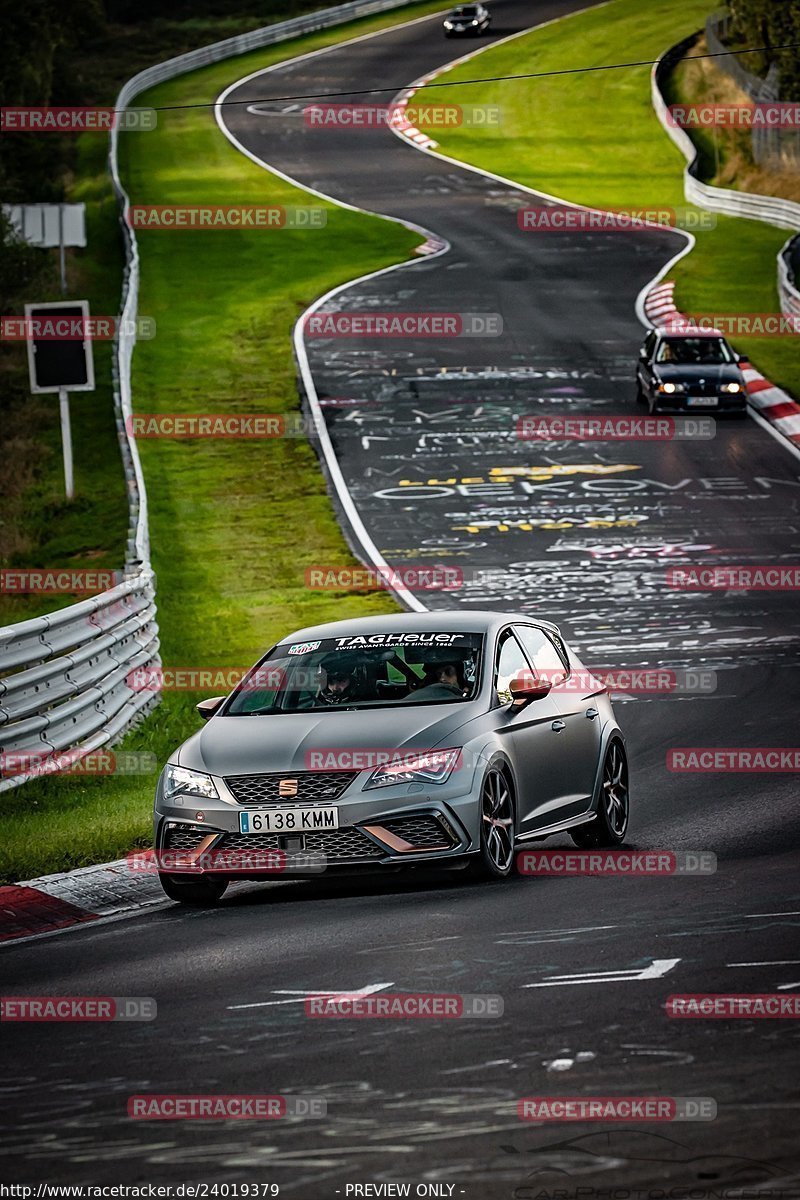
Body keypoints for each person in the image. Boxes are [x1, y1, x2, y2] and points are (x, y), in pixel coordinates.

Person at [401, 657, 466, 702]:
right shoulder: (424, 694)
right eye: (439, 674)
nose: (442, 678)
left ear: (458, 674)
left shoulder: (473, 695)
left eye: (448, 672)